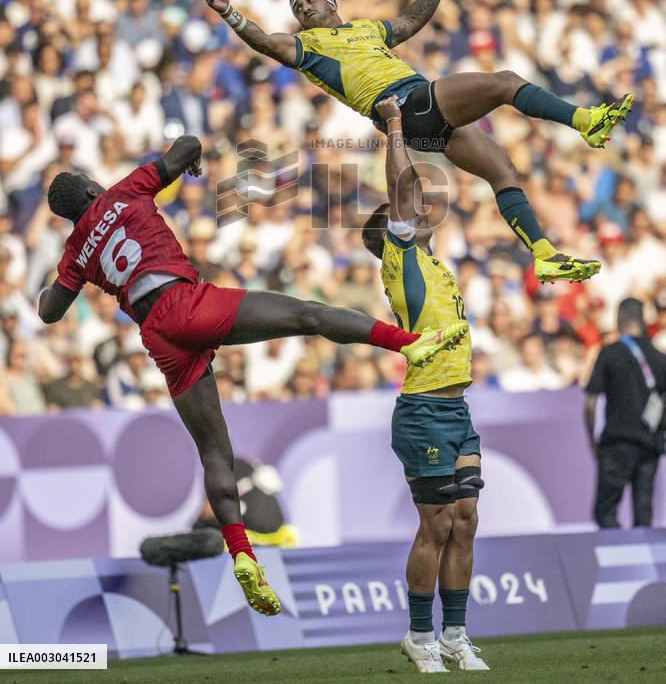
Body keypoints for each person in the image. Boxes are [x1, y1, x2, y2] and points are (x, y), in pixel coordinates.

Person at [37, 135, 460, 616]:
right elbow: (186, 144)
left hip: (158, 335)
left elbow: (50, 311)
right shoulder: (122, 191)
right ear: (92, 191)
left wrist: (59, 280)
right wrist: (191, 160)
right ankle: (411, 345)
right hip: (188, 303)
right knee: (306, 315)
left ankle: (241, 552)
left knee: (214, 452)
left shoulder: (75, 252)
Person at [206, 0, 631, 285]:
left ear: (331, 3)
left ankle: (543, 255)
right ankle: (584, 120)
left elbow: (409, 22)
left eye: (309, 1)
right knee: (504, 81)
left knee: (503, 170)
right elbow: (266, 42)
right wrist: (230, 12)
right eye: (297, 8)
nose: (302, 10)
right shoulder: (306, 48)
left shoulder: (365, 29)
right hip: (406, 104)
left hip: (419, 123)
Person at [361, 95, 487, 674]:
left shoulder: (436, 264)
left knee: (465, 519)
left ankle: (456, 635)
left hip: (458, 411)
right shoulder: (401, 257)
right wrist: (393, 125)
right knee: (435, 524)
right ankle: (419, 634)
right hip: (423, 411)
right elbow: (401, 187)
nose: (421, 207)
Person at [585, 298, 666, 529]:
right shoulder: (660, 358)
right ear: (644, 321)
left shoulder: (610, 353)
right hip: (650, 445)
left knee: (606, 511)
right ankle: (642, 560)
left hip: (616, 444)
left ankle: (614, 559)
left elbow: (590, 404)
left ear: (619, 321)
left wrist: (593, 442)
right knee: (643, 510)